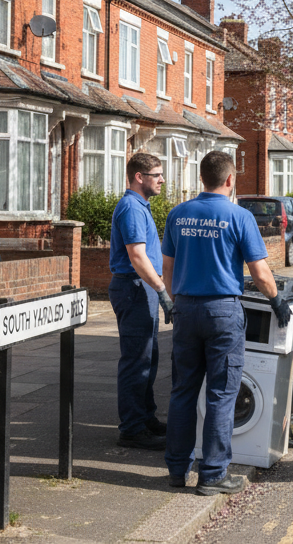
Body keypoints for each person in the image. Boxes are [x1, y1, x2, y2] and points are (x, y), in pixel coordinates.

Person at [162, 150, 291, 496]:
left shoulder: (178, 215)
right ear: (230, 179)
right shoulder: (239, 217)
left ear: (201, 177)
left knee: (183, 391)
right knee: (221, 393)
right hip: (222, 312)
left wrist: (176, 302)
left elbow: (168, 269)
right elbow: (261, 273)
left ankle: (177, 470)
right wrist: (277, 301)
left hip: (186, 309)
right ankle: (213, 474)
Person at [107, 152, 171, 451]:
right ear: (139, 177)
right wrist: (161, 290)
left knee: (148, 358)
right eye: (157, 174)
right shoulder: (132, 208)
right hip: (134, 288)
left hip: (139, 288)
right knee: (136, 361)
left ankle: (146, 419)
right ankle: (132, 429)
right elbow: (136, 256)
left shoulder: (139, 206)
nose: (161, 179)